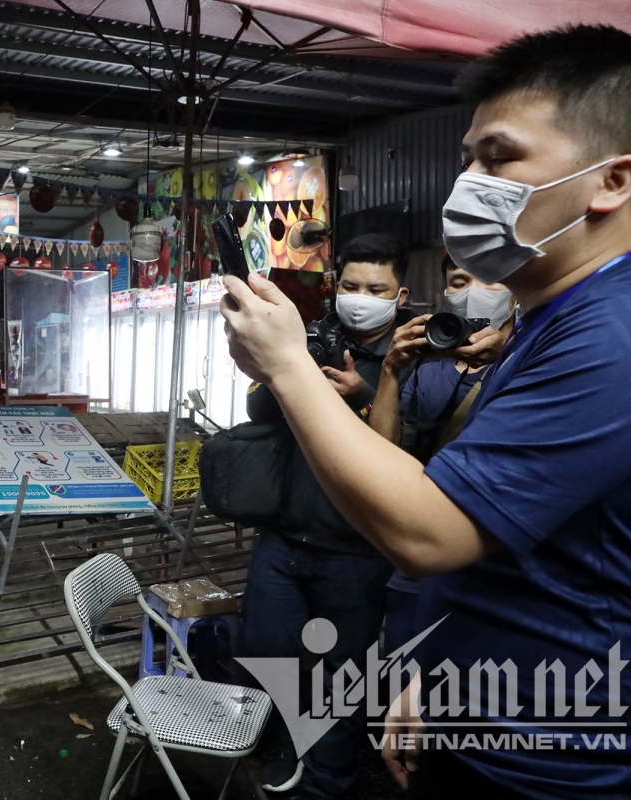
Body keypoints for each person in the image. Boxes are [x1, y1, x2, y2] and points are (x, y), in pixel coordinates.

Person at [220, 25, 631, 799]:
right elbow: (516, 551)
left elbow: (427, 530)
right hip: (485, 718)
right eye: (467, 158)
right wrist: (439, 677)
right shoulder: (550, 321)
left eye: (500, 158)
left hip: (555, 765)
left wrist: (285, 366)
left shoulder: (614, 336)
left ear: (611, 180)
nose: (467, 184)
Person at [244, 233, 417, 798]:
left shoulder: (415, 358)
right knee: (269, 653)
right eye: (350, 285)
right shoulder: (310, 342)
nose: (360, 297)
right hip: (283, 538)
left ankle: (328, 783)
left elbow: (416, 453)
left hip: (357, 554)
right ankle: (295, 746)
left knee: (341, 679)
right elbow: (260, 411)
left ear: (401, 294)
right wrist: (286, 370)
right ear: (333, 286)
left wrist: (365, 395)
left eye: (376, 289)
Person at [369, 256, 513, 649]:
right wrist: (391, 369)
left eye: (492, 280)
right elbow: (383, 450)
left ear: (516, 293)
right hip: (418, 557)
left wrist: (510, 352)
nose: (474, 293)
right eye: (460, 281)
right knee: (404, 674)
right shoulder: (429, 367)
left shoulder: (525, 360)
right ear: (446, 293)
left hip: (489, 558)